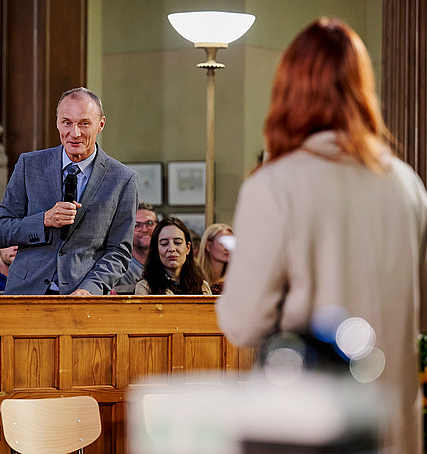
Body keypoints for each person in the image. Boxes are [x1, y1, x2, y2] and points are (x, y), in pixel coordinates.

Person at [216, 18, 427, 454]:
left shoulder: (274, 185)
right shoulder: (406, 185)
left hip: (313, 426)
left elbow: (242, 322)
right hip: (394, 427)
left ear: (288, 90)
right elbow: (419, 314)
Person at [0, 87, 138, 295]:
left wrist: (90, 289)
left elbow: (119, 253)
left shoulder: (123, 179)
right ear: (57, 122)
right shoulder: (29, 165)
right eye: (66, 122)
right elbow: (0, 232)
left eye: (84, 123)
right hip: (26, 294)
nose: (74, 133)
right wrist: (44, 220)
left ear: (101, 124)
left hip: (81, 301)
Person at [135, 217, 211, 295]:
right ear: (156, 249)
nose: (171, 249)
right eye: (164, 243)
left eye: (177, 243)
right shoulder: (145, 287)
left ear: (188, 248)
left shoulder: (202, 286)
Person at [113, 202, 158, 293]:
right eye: (137, 225)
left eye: (150, 223)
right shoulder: (119, 267)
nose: (145, 229)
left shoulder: (166, 262)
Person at [197, 223, 234, 294]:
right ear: (208, 246)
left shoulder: (234, 277)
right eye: (222, 243)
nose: (227, 248)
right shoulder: (194, 276)